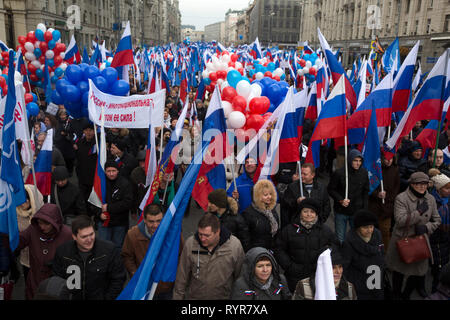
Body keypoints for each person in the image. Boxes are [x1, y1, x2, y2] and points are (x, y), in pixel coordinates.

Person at [386, 172, 441, 300]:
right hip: (402, 241)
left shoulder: (431, 199)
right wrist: (418, 212)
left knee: (418, 273)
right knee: (398, 273)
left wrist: (426, 227)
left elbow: (437, 220)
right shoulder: (402, 198)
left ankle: (406, 295)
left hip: (421, 242)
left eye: (425, 184)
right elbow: (400, 220)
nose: (422, 187)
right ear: (411, 184)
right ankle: (396, 295)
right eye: (418, 184)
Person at [51, 215, 126, 300]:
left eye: (91, 234)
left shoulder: (109, 251)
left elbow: (118, 279)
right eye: (84, 237)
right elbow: (57, 280)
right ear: (74, 237)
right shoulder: (62, 252)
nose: (89, 239)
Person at [173, 213, 245, 300]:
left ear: (217, 232)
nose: (202, 239)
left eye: (207, 235)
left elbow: (241, 278)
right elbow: (182, 277)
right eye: (200, 234)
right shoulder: (190, 244)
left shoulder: (234, 246)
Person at [274, 198, 339, 292]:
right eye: (305, 211)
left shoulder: (326, 230)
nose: (309, 214)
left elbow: (335, 248)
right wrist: (289, 266)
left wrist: (324, 263)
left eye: (312, 212)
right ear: (300, 212)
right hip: (294, 276)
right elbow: (279, 249)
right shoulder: (289, 230)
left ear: (316, 214)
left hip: (318, 275)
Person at [121, 204, 183, 300]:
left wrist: (174, 276)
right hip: (144, 287)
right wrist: (135, 273)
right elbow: (127, 256)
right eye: (151, 221)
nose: (155, 225)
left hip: (166, 287)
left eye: (159, 221)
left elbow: (181, 255)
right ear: (144, 220)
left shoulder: (173, 234)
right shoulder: (132, 235)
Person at [16, 203, 72, 299]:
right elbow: (17, 242)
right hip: (34, 280)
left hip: (55, 285)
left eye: (46, 224)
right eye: (40, 222)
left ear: (56, 221)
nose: (42, 227)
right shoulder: (33, 229)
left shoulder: (67, 234)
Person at [328, 148, 370, 242]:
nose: (358, 163)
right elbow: (330, 189)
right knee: (340, 238)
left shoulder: (364, 173)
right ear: (350, 160)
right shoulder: (339, 173)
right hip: (341, 211)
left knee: (356, 238)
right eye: (355, 160)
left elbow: (365, 192)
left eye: (360, 161)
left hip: (356, 211)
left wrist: (364, 210)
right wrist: (340, 200)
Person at [342, 209, 385, 300]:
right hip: (359, 284)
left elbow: (381, 254)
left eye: (371, 227)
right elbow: (345, 265)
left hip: (376, 279)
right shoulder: (349, 242)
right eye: (365, 227)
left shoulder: (377, 234)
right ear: (358, 227)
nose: (369, 230)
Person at [292, 246, 357, 300]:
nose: (338, 271)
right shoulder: (303, 286)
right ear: (322, 268)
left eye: (340, 267)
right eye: (333, 267)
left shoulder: (349, 288)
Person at [97, 161, 134, 248]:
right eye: (108, 171)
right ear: (105, 171)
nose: (111, 174)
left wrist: (109, 208)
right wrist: (99, 213)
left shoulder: (125, 183)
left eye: (113, 171)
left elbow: (127, 203)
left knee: (118, 247)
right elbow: (94, 202)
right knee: (104, 247)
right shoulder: (100, 183)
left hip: (119, 223)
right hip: (104, 222)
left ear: (118, 171)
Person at [282, 162, 331, 228]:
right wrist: (296, 202)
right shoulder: (292, 187)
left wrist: (320, 220)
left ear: (312, 175)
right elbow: (285, 205)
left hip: (316, 226)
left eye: (305, 174)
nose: (302, 176)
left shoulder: (321, 188)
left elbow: (326, 206)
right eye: (301, 173)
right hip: (297, 226)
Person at [368, 151, 400, 249]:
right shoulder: (376, 170)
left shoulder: (395, 170)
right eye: (386, 159)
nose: (388, 161)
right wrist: (377, 194)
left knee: (385, 232)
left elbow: (396, 189)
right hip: (374, 206)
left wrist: (388, 198)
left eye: (390, 159)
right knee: (371, 232)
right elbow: (369, 186)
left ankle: (385, 252)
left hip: (387, 208)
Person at [242, 179, 280, 251]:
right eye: (265, 195)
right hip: (256, 252)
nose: (269, 197)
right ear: (257, 196)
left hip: (272, 251)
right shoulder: (248, 213)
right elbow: (245, 239)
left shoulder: (272, 210)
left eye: (270, 194)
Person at [16, 185, 44, 281]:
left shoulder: (43, 213)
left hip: (41, 256)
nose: (22, 204)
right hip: (25, 257)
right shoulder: (16, 213)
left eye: (25, 200)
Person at [429, 173, 450, 293]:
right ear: (438, 189)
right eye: (446, 188)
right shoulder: (432, 201)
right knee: (438, 270)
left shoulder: (448, 201)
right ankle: (435, 292)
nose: (449, 191)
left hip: (446, 239)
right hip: (436, 240)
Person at [74, 121, 97, 208]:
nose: (89, 132)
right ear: (83, 131)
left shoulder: (98, 143)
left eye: (91, 130)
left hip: (94, 177)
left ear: (94, 131)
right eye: (86, 130)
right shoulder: (80, 142)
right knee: (84, 198)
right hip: (82, 176)